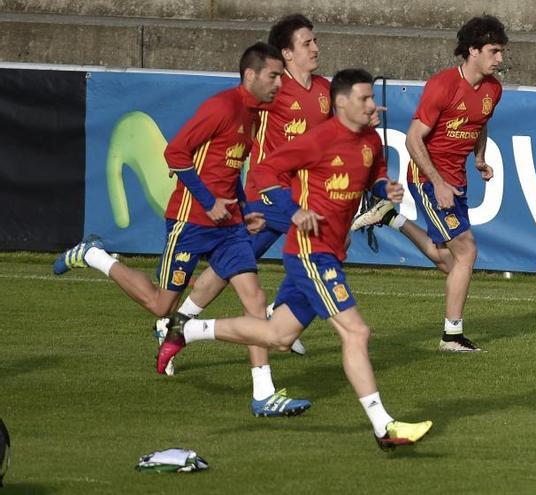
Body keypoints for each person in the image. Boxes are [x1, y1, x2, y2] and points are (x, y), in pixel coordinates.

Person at [156, 68, 433, 450]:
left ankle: (186, 330)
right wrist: (293, 210)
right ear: (341, 103)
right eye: (365, 99)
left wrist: (386, 187)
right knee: (357, 332)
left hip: (332, 252)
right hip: (310, 252)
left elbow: (375, 175)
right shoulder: (318, 140)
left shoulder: (370, 138)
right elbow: (265, 173)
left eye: (372, 98)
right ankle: (384, 426)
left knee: (278, 336)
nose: (373, 106)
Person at [53, 43, 310, 417]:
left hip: (230, 224)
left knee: (254, 300)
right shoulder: (222, 107)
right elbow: (175, 153)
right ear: (250, 75)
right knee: (161, 304)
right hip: (191, 221)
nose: (278, 84)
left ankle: (263, 393)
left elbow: (229, 167)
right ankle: (94, 255)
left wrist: (245, 208)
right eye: (273, 76)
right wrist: (208, 203)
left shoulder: (256, 114)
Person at [161, 14, 331, 358]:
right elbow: (233, 121)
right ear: (286, 53)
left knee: (230, 267)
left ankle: (176, 325)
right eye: (307, 42)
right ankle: (280, 320)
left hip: (298, 196)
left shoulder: (325, 89)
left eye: (314, 41)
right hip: (266, 194)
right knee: (319, 242)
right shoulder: (273, 92)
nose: (315, 47)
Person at [349, 16, 507, 352]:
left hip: (458, 179)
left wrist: (479, 159)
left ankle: (392, 218)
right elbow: (412, 138)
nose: (500, 58)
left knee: (446, 260)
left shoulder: (494, 89)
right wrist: (436, 182)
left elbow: (479, 124)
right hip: (428, 177)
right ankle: (452, 336)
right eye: (494, 51)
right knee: (466, 251)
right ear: (473, 50)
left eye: (501, 52)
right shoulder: (443, 85)